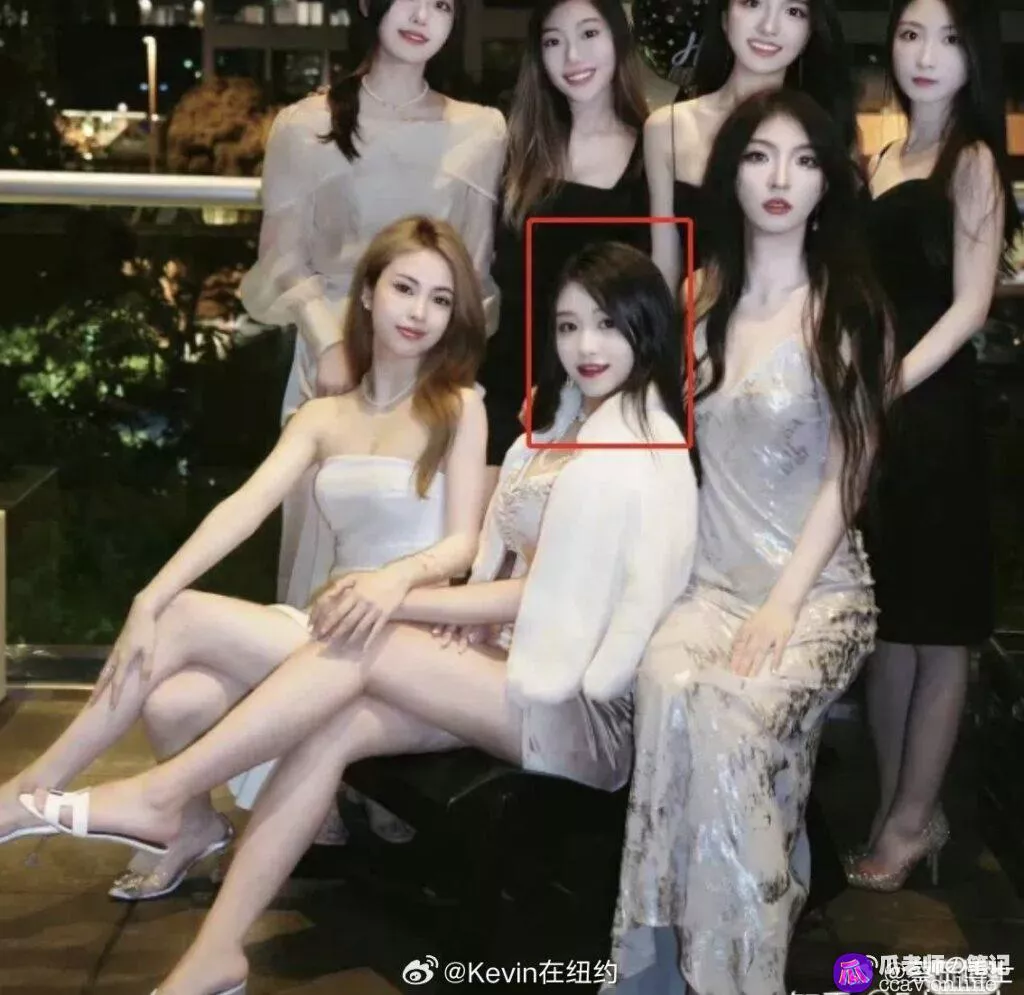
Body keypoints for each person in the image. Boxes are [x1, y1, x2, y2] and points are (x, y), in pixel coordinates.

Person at [21, 241, 699, 995]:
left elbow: (547, 597)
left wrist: (396, 594)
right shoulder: (563, 427)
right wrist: (450, 613)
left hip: (579, 712)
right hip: (504, 672)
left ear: (645, 329)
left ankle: (162, 793)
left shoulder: (634, 452)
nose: (586, 346)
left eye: (607, 325)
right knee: (337, 723)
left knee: (371, 640)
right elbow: (505, 569)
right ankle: (215, 956)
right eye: (569, 327)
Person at [0, 215, 490, 900]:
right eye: (405, 288)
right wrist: (147, 598)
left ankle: (30, 789)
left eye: (440, 299)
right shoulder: (325, 416)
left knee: (181, 615)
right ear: (368, 292)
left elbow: (462, 543)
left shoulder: (460, 407)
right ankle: (191, 826)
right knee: (173, 702)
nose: (419, 313)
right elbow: (244, 506)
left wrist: (396, 579)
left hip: (402, 635)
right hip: (325, 626)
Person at [606, 89, 897, 995]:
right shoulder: (700, 295)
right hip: (709, 588)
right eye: (759, 157)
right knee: (666, 694)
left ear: (827, 184)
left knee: (732, 725)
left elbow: (849, 474)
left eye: (804, 160)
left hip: (817, 595)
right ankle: (660, 972)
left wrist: (782, 604)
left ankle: (739, 974)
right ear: (730, 174)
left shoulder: (847, 307)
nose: (780, 178)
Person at [238, 0, 506, 847]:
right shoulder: (304, 125)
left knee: (414, 569)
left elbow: (475, 279)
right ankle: (304, 782)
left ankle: (384, 775)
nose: (424, 15)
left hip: (430, 383)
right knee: (315, 573)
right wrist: (332, 342)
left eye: (444, 3)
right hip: (331, 370)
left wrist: (434, 366)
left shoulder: (482, 129)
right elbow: (281, 261)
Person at [847, 0, 1022, 892]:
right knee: (889, 625)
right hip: (877, 415)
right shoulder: (882, 155)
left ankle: (915, 818)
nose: (926, 54)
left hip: (935, 414)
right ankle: (896, 803)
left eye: (950, 39)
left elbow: (970, 306)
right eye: (912, 34)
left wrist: (887, 382)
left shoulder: (974, 159)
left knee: (940, 630)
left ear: (974, 56)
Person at [477, 0, 652, 478]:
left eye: (589, 34)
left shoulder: (654, 153)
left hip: (601, 393)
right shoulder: (515, 152)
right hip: (507, 386)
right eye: (554, 41)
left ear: (618, 41)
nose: (573, 56)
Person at [644, 0, 857, 299]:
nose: (769, 27)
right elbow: (665, 262)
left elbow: (837, 257)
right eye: (753, 3)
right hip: (694, 316)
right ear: (724, 16)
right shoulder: (667, 128)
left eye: (793, 11)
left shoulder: (824, 132)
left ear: (810, 31)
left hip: (792, 320)